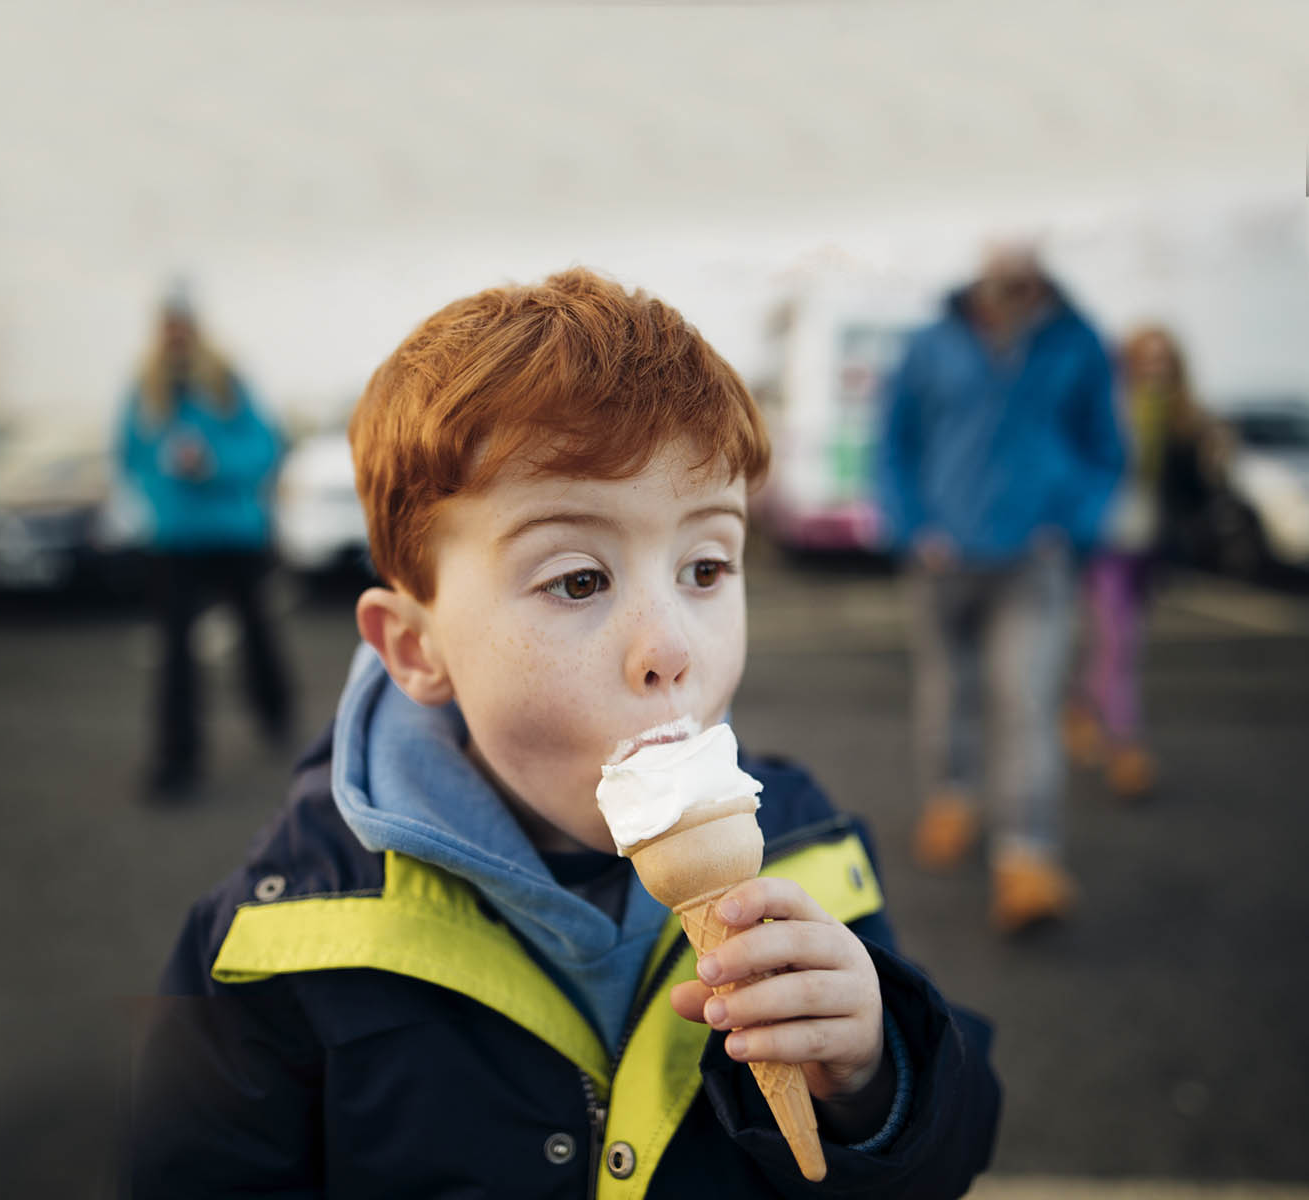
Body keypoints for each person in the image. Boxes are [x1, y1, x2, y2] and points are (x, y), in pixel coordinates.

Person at [131, 270, 999, 1197]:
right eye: (580, 580)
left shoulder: (805, 848)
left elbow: (951, 1145)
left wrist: (876, 1080)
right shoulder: (277, 945)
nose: (668, 649)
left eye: (706, 567)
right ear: (417, 648)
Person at [876, 244, 1124, 933]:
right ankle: (951, 799)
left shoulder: (1079, 343)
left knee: (1027, 699)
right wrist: (913, 525)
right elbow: (894, 444)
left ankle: (1027, 856)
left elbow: (1107, 449)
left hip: (1034, 560)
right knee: (946, 688)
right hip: (941, 558)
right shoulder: (930, 343)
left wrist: (1071, 525)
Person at [115, 295, 294, 800]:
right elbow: (130, 456)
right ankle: (177, 760)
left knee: (256, 632)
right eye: (167, 326)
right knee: (175, 654)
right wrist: (162, 491)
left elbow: (263, 447)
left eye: (182, 325)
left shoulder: (225, 382)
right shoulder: (144, 391)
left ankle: (275, 711)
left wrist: (211, 463)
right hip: (175, 540)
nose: (175, 335)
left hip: (234, 533)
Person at [1063, 325, 1217, 800]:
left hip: (1152, 547)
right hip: (1106, 543)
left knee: (1118, 644)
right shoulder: (1108, 412)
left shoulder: (1185, 420)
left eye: (1161, 360)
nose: (1153, 369)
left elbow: (1194, 495)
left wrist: (1208, 458)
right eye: (1144, 359)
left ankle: (1082, 712)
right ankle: (1125, 744)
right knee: (1119, 643)